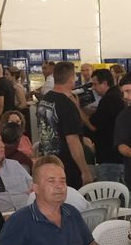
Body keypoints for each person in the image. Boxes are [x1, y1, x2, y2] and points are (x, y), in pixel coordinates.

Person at [0, 156, 100, 245]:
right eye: (51, 181)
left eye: (62, 181)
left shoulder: (71, 212)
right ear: (35, 188)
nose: (59, 186)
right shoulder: (20, 220)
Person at [33, 61, 93, 189]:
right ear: (72, 79)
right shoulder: (67, 105)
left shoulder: (45, 100)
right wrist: (85, 171)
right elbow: (73, 141)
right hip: (66, 167)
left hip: (48, 162)